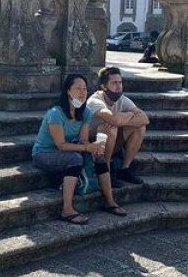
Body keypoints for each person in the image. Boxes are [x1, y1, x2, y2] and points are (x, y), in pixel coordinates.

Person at [32, 74, 127, 225]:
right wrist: (86, 147)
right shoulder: (55, 113)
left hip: (69, 149)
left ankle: (110, 202)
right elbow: (60, 145)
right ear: (68, 91)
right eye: (78, 89)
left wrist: (94, 147)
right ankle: (67, 210)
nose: (83, 93)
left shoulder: (86, 112)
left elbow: (83, 139)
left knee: (98, 157)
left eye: (85, 89)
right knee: (75, 159)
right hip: (44, 153)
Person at [87, 67, 149, 184]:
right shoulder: (95, 101)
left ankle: (124, 169)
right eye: (114, 83)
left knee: (140, 127)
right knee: (111, 127)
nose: (119, 86)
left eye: (120, 82)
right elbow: (114, 120)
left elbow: (145, 118)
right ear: (104, 86)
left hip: (113, 143)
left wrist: (123, 118)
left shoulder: (122, 99)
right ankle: (107, 171)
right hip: (93, 144)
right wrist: (131, 114)